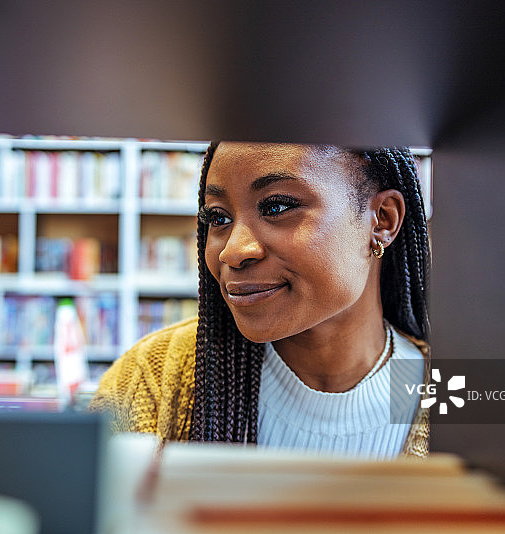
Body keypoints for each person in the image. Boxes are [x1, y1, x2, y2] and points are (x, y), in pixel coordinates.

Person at [88, 142, 430, 458]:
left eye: (277, 207)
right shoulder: (151, 379)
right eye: (218, 217)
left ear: (383, 220)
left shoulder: (458, 396)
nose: (233, 251)